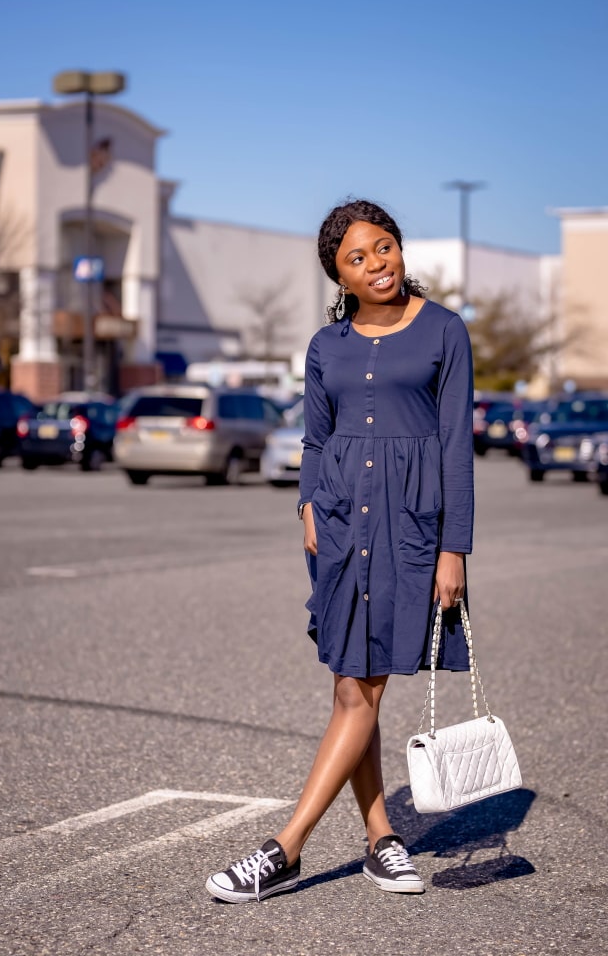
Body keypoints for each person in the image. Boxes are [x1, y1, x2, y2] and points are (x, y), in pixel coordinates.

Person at [205, 199, 474, 903]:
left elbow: (455, 449)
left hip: (411, 526)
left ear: (399, 248)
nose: (376, 264)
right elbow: (316, 438)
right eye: (357, 259)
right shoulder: (327, 346)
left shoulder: (446, 331)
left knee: (365, 689)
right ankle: (381, 839)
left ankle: (284, 848)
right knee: (352, 684)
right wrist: (304, 503)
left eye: (382, 247)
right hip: (337, 522)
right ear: (340, 276)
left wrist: (456, 549)